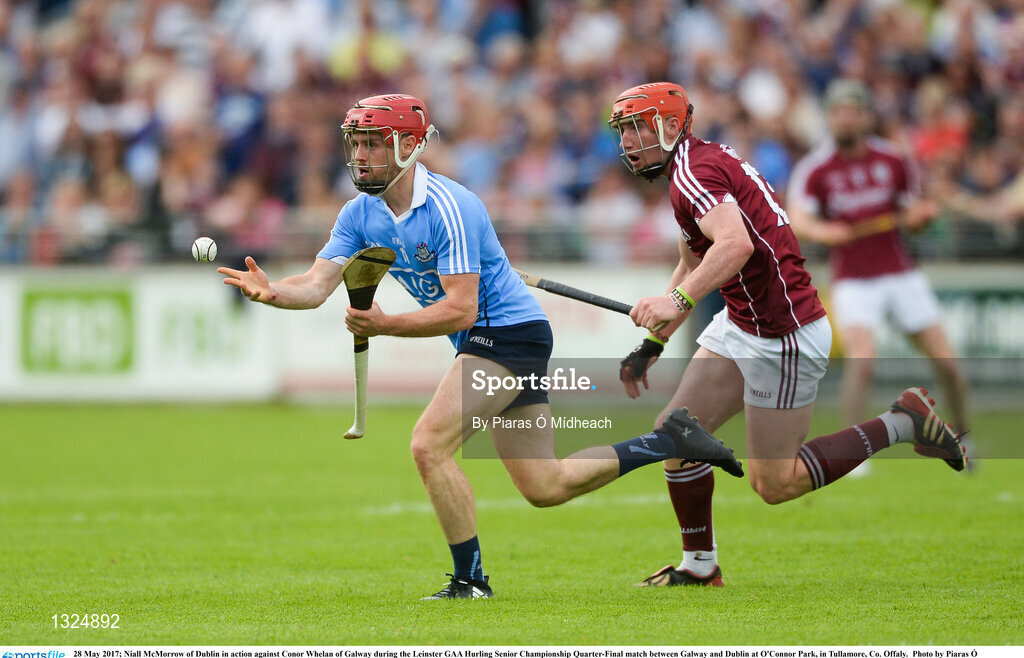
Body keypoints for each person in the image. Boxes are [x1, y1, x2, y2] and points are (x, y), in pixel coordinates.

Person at [218, 93, 742, 600]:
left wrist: (384, 324)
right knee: (545, 486)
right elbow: (314, 284)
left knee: (429, 444)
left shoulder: (451, 207)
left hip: (506, 334)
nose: (358, 154)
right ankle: (670, 441)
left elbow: (460, 310)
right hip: (487, 337)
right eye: (355, 142)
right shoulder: (360, 213)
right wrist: (273, 293)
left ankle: (470, 581)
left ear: (407, 147)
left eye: (373, 143)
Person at [609, 82, 967, 588]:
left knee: (774, 484)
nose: (626, 142)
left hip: (784, 334)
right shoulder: (691, 166)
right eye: (621, 130)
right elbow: (694, 259)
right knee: (676, 433)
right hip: (742, 321)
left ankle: (903, 422)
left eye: (635, 128)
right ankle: (700, 567)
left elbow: (734, 247)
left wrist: (678, 302)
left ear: (669, 126)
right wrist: (654, 343)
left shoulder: (693, 171)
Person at [786, 79, 970, 476]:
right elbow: (798, 219)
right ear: (829, 118)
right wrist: (823, 231)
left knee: (949, 364)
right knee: (862, 362)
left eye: (853, 110)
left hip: (900, 273)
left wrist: (920, 219)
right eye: (837, 111)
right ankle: (852, 454)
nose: (845, 118)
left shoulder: (894, 159)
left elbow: (914, 213)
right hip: (854, 277)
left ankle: (963, 438)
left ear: (867, 115)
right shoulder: (816, 168)